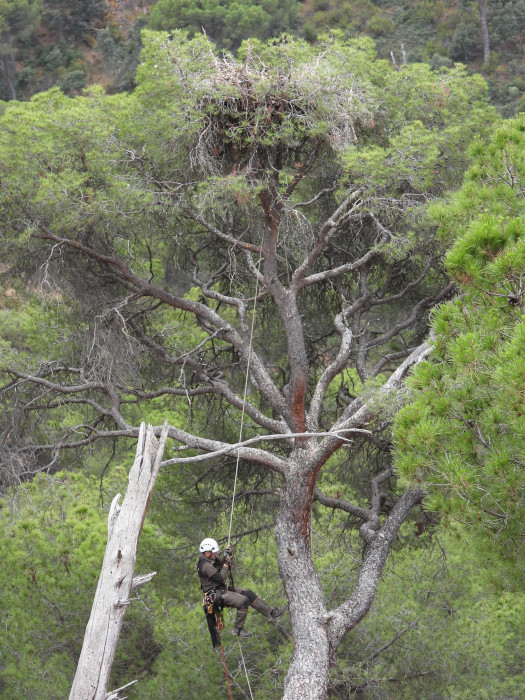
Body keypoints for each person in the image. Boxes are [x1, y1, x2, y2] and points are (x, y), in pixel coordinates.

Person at [197, 537, 288, 637]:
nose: (216, 554)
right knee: (243, 601)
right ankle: (238, 629)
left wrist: (228, 556)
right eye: (215, 552)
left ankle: (272, 612)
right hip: (216, 594)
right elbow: (221, 578)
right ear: (207, 553)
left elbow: (223, 564)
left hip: (221, 589)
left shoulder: (210, 560)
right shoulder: (205, 565)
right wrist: (227, 563)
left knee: (248, 593)